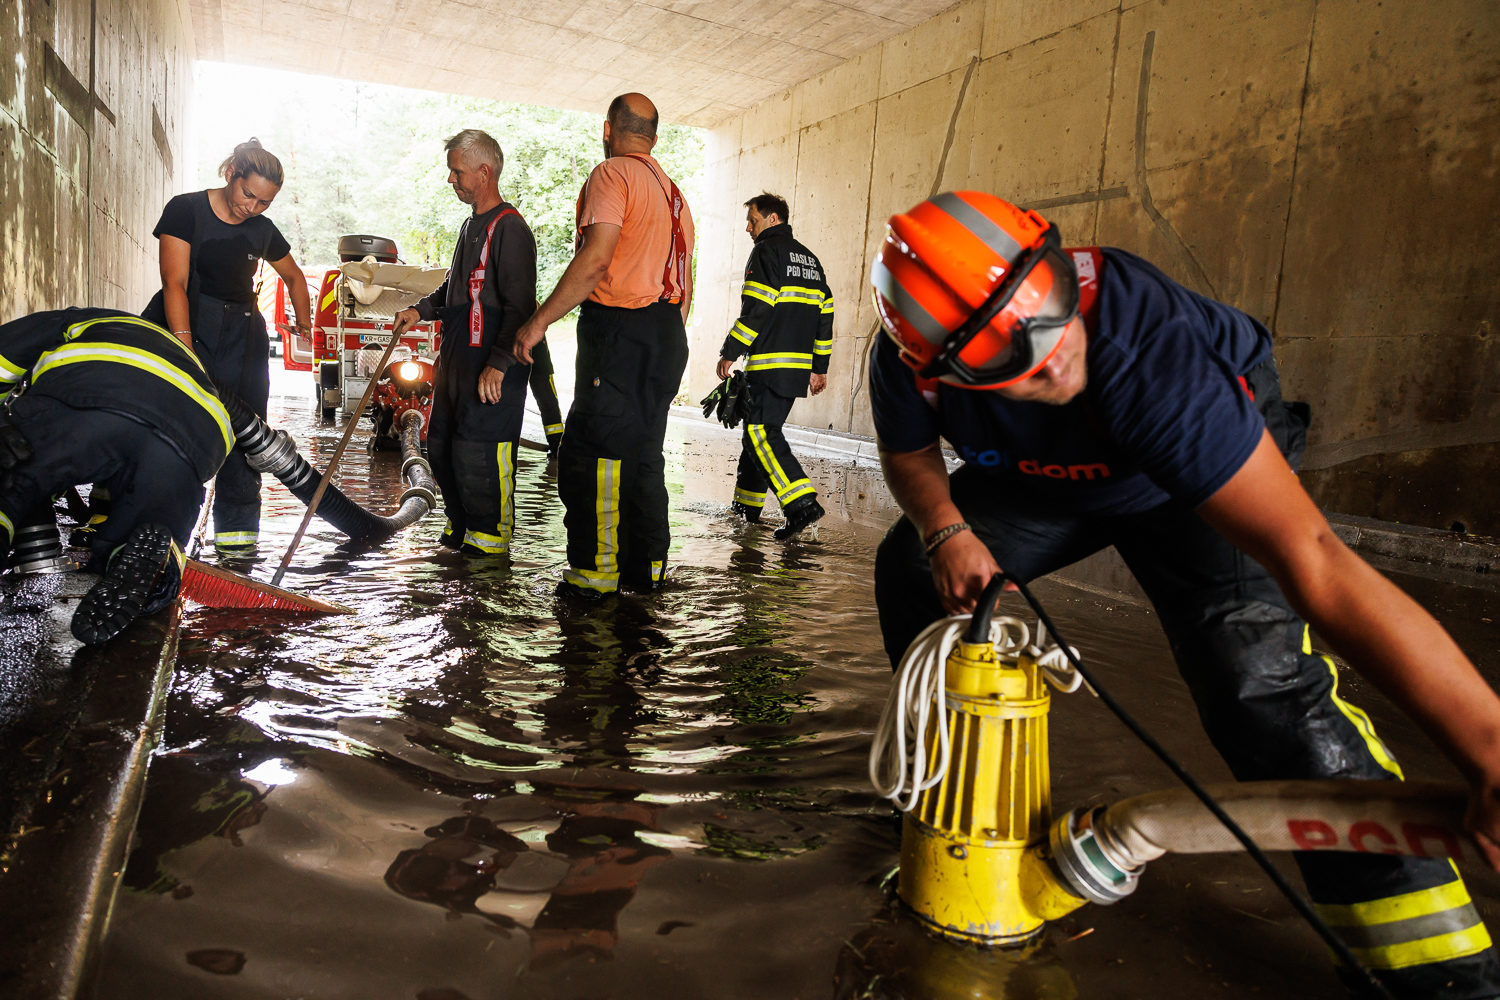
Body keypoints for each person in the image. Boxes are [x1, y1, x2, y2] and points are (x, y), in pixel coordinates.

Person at [868, 191, 1500, 998]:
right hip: (1051, 481)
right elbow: (912, 455)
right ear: (944, 369)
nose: (1059, 352)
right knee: (911, 569)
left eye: (1055, 305)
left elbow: (1314, 560)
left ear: (1057, 262)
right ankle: (945, 815)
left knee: (1256, 683)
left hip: (1189, 472)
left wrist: (1490, 751)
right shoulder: (906, 359)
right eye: (1007, 359)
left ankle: (1434, 967)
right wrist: (946, 531)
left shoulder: (1141, 346)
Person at [514, 93, 694, 601]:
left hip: (620, 330)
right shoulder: (676, 196)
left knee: (595, 454)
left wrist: (538, 322)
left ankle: (595, 578)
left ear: (609, 129)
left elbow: (597, 259)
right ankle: (648, 572)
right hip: (665, 334)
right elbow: (684, 286)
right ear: (653, 138)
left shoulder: (613, 175)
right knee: (644, 456)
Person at [0, 308, 231, 644]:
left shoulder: (75, 319)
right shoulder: (190, 366)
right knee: (145, 532)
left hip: (93, 394)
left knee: (13, 484)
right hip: (197, 435)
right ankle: (144, 562)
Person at [144, 138, 312, 557]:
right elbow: (175, 285)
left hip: (241, 334)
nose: (251, 208)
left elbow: (294, 277)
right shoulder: (186, 210)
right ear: (230, 174)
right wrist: (185, 348)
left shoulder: (262, 230)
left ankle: (238, 546)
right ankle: (147, 532)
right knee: (162, 426)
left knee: (245, 434)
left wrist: (304, 324)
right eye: (247, 194)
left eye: (264, 203)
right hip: (182, 321)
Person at [393, 129, 538, 556]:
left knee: (481, 453)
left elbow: (520, 308)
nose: (451, 180)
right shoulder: (470, 226)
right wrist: (419, 311)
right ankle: (461, 532)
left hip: (491, 369)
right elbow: (453, 290)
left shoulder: (510, 229)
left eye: (457, 172)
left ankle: (489, 547)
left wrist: (498, 361)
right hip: (458, 362)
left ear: (484, 171)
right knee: (440, 444)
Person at [716, 192, 834, 539]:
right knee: (757, 434)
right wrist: (819, 367)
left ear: (773, 219)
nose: (747, 228)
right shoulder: (811, 260)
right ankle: (745, 510)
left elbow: (758, 308)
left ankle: (801, 504)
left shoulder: (766, 252)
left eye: (752, 220)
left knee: (760, 433)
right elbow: (825, 314)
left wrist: (730, 350)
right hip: (795, 368)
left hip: (769, 365)